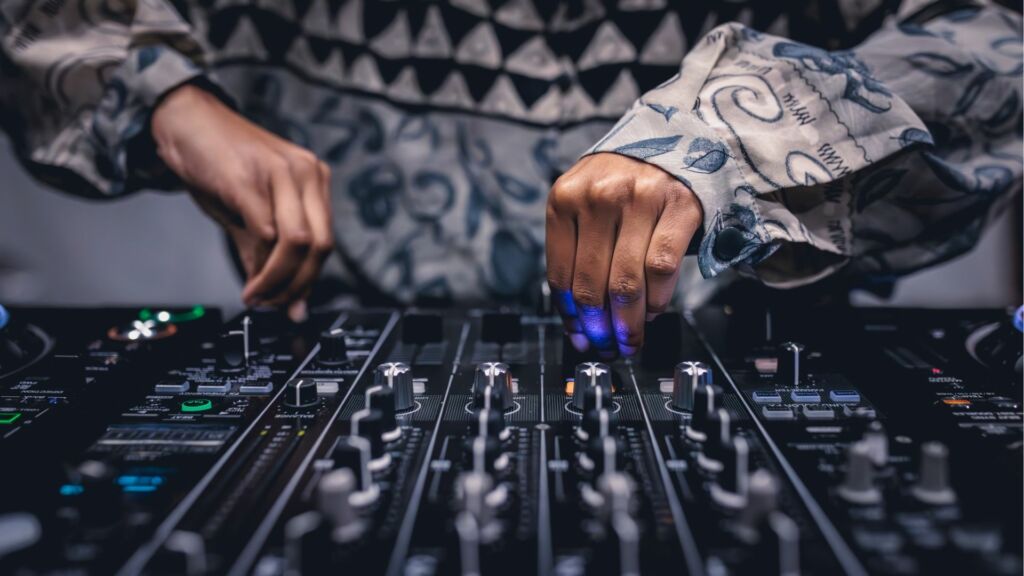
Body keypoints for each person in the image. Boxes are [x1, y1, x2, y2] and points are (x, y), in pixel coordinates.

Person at [0, 0, 1020, 358]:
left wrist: (725, 140)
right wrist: (167, 97)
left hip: (758, 335)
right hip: (347, 332)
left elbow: (989, 39)